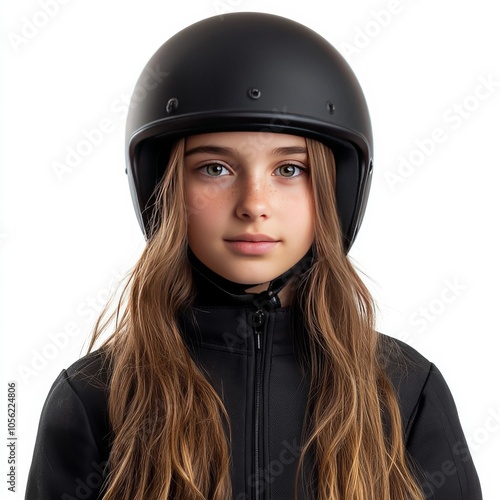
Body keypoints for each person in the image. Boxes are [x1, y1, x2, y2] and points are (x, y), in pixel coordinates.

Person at [25, 12, 482, 500]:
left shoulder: (405, 391)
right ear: (165, 189)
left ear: (335, 191)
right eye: (216, 168)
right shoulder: (94, 397)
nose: (254, 205)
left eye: (288, 168)